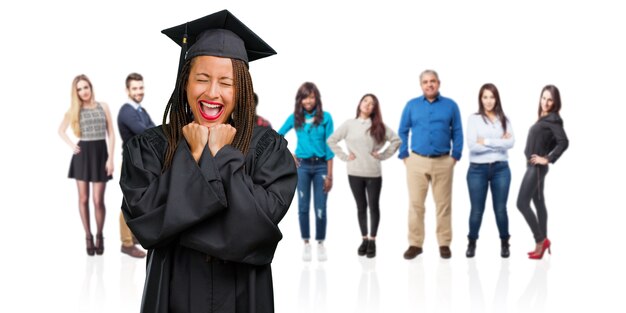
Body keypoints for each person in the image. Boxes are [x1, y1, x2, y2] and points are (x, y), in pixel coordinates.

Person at [119, 10, 298, 312]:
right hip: (172, 295)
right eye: (202, 79)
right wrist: (195, 154)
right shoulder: (149, 147)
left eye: (226, 82)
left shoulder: (268, 148)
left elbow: (257, 232)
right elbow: (145, 227)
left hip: (244, 298)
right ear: (185, 82)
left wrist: (221, 155)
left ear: (241, 89)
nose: (212, 92)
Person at [398, 69, 463, 260]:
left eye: (432, 81)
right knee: (416, 205)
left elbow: (457, 132)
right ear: (421, 85)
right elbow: (402, 131)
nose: (429, 85)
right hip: (416, 161)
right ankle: (415, 244)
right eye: (425, 82)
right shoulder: (411, 105)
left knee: (443, 205)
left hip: (444, 161)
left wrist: (455, 157)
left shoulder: (451, 106)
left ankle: (444, 243)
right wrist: (405, 156)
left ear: (439, 83)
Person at [327, 94, 401, 258]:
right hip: (354, 172)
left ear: (375, 109)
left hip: (373, 173)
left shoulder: (378, 125)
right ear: (360, 103)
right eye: (366, 101)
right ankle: (364, 239)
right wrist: (345, 157)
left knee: (373, 207)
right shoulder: (349, 124)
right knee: (361, 207)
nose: (368, 105)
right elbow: (331, 140)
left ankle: (373, 240)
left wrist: (382, 155)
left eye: (372, 103)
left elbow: (396, 140)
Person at [58, 74, 115, 256]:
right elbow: (60, 130)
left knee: (98, 201)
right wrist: (71, 144)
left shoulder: (103, 106)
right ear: (76, 92)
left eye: (85, 87)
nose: (83, 91)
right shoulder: (74, 110)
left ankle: (99, 235)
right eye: (79, 89)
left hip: (100, 154)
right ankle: (88, 236)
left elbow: (111, 133)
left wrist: (111, 158)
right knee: (83, 199)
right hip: (83, 156)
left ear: (90, 87)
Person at [278, 82, 334, 262]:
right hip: (301, 167)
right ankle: (306, 243)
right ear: (299, 100)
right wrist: (290, 155)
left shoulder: (326, 118)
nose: (308, 101)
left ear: (316, 98)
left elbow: (330, 147)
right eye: (304, 97)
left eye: (311, 96)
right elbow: (278, 136)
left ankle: (320, 243)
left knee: (320, 207)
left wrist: (330, 176)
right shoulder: (295, 118)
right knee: (302, 207)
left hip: (321, 167)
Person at [517, 85, 568, 260]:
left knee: (521, 203)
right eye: (543, 98)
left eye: (550, 99)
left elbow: (563, 142)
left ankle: (541, 240)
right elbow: (551, 140)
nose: (545, 102)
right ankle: (542, 243)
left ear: (555, 102)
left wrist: (547, 158)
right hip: (533, 166)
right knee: (538, 202)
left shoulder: (553, 119)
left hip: (537, 168)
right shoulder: (544, 118)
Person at [465, 83, 515, 258]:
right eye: (485, 97)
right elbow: (472, 145)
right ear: (480, 99)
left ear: (497, 99)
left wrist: (484, 141)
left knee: (500, 209)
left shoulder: (504, 119)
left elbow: (510, 143)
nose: (488, 101)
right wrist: (497, 142)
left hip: (501, 169)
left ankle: (505, 243)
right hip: (477, 170)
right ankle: (471, 242)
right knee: (476, 210)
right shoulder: (474, 119)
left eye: (491, 97)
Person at [116, 72, 153, 258]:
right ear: (127, 90)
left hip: (141, 162)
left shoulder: (141, 110)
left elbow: (154, 128)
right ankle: (126, 243)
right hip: (131, 161)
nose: (139, 91)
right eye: (135, 88)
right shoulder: (127, 111)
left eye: (141, 87)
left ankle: (132, 234)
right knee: (128, 202)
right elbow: (145, 132)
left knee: (138, 200)